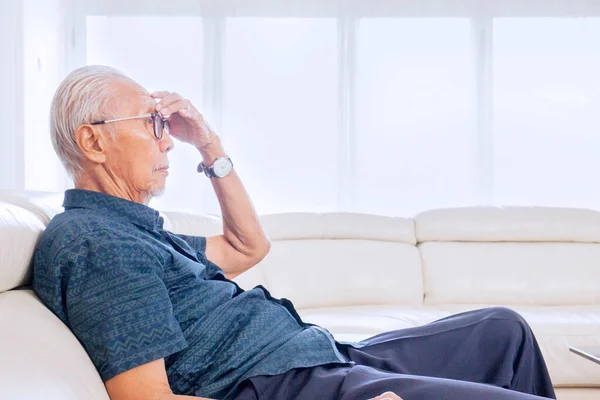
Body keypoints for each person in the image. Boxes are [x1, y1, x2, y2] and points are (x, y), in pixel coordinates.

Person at [33, 65, 556, 400]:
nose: (167, 142)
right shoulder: (97, 243)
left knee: (502, 332)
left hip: (317, 356)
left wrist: (209, 145)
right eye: (152, 124)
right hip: (290, 387)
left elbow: (247, 247)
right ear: (93, 142)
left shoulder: (134, 232)